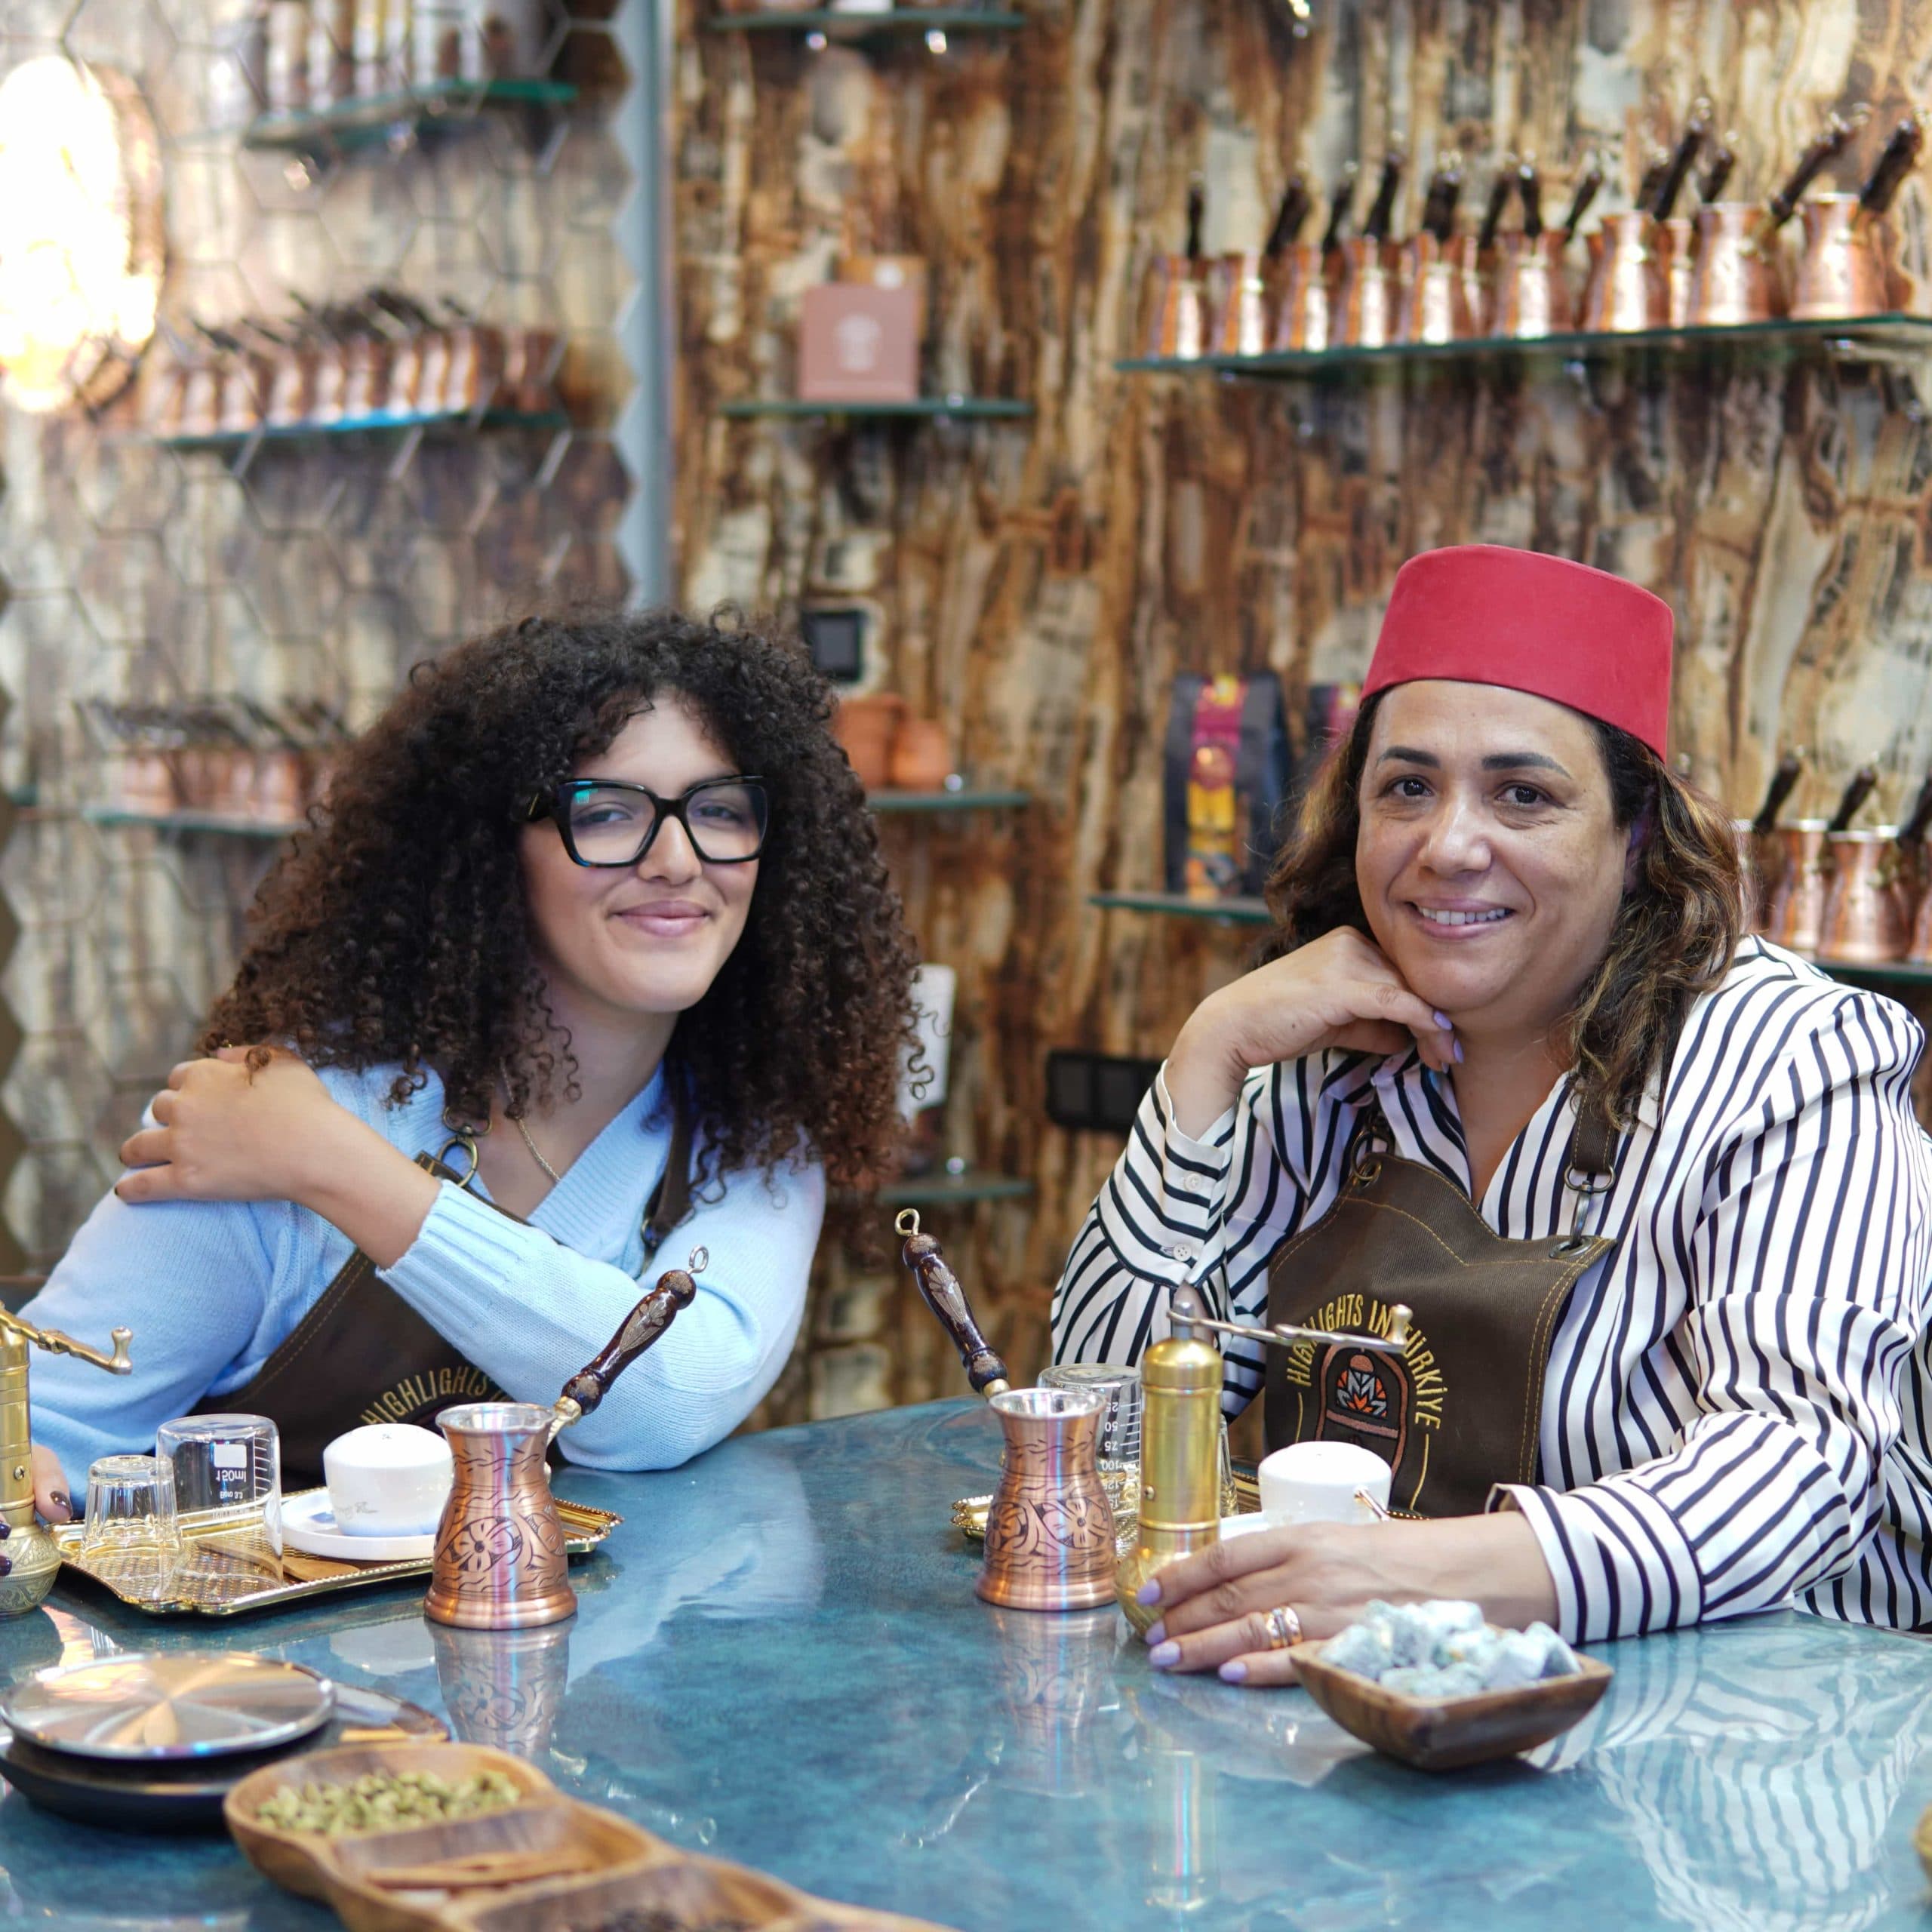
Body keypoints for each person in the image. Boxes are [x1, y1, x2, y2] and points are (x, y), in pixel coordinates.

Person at [1052, 543, 1932, 1680]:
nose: (1449, 846)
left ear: (1636, 839)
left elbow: (1797, 1470)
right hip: (1384, 1708)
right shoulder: (1324, 1072)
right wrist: (1205, 1056)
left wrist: (1404, 1579)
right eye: (1406, 788)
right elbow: (1112, 1444)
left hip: (1767, 1721)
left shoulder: (1789, 1060)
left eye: (1524, 794)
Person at [24, 608, 918, 1513]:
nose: (679, 860)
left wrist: (336, 1168)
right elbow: (42, 1432)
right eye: (606, 812)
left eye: (719, 810)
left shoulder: (753, 1138)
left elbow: (669, 1399)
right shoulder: (273, 1113)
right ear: (490, 849)